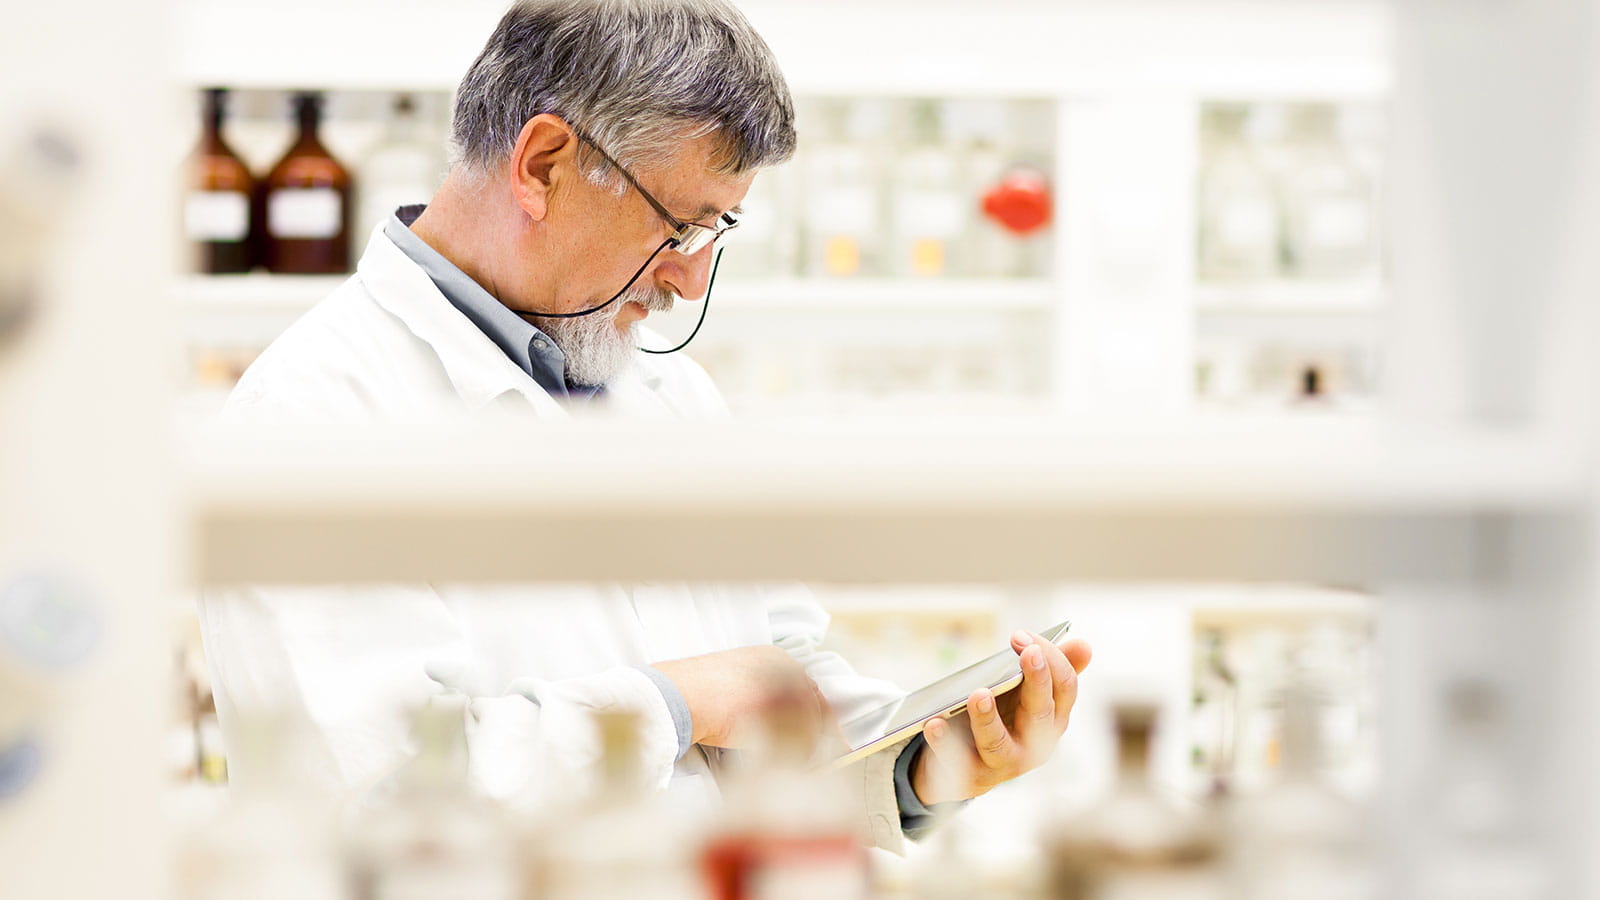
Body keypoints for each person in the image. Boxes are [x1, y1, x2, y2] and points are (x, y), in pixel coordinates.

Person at [199, 0, 1092, 852]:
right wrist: (668, 704)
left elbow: (773, 676)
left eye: (718, 231)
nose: (689, 282)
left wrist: (925, 765)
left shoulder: (668, 392)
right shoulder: (315, 415)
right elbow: (383, 801)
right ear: (543, 163)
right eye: (680, 226)